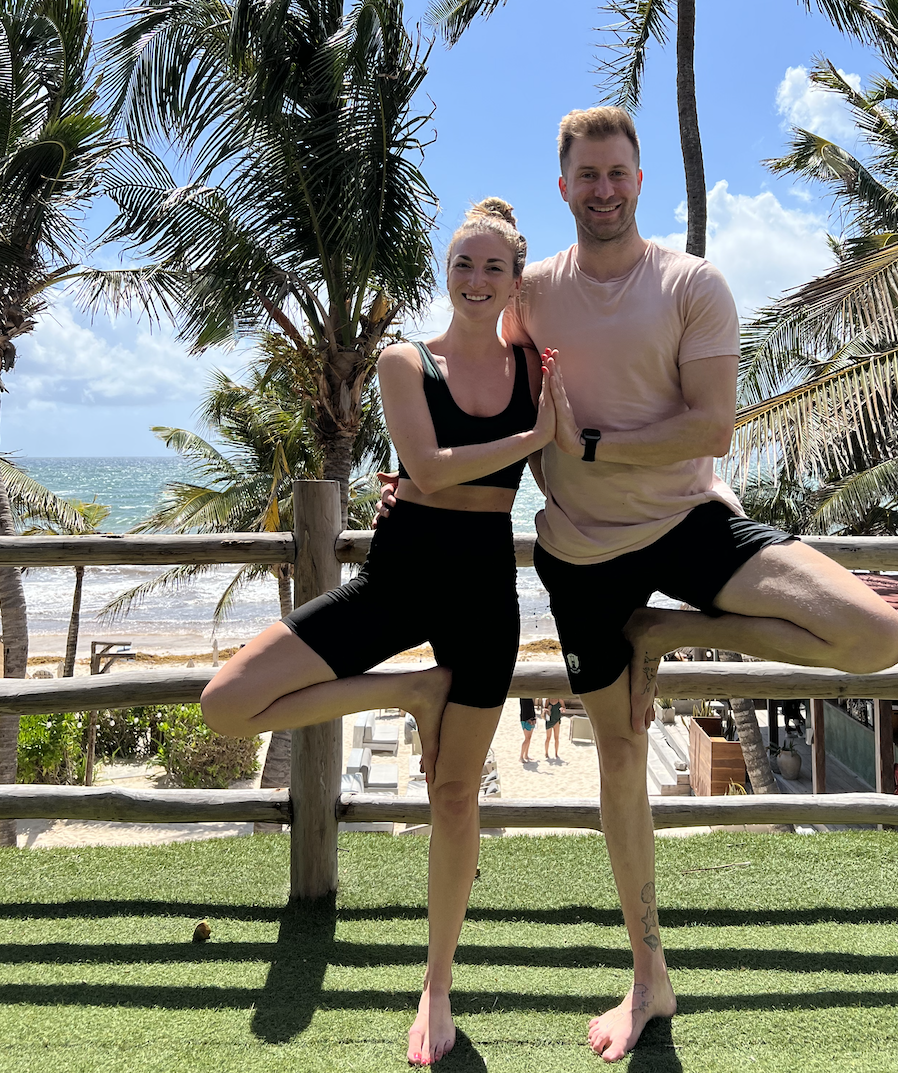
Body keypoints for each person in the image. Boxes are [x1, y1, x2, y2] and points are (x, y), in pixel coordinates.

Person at [378, 107, 898, 1062]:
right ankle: (647, 973)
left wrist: (588, 444)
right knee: (619, 756)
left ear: (638, 176)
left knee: (876, 635)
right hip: (580, 556)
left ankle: (659, 634)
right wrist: (411, 479)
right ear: (564, 186)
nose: (604, 189)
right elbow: (460, 366)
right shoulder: (528, 292)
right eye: (586, 175)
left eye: (617, 172)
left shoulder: (690, 284)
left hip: (688, 524)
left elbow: (712, 427)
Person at [199, 198, 552, 1067]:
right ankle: (408, 688)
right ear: (446, 270)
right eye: (463, 264)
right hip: (394, 581)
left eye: (493, 267)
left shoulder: (536, 369)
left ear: (515, 278)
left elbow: (575, 455)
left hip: (482, 592)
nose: (476, 280)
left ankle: (435, 986)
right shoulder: (404, 361)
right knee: (227, 702)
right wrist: (530, 435)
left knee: (454, 798)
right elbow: (426, 467)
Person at [518, 697, 537, 761]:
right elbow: (524, 708)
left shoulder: (530, 696)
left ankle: (526, 755)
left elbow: (531, 707)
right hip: (525, 719)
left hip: (531, 717)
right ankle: (521, 757)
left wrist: (534, 717)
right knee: (527, 739)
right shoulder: (523, 696)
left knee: (529, 738)